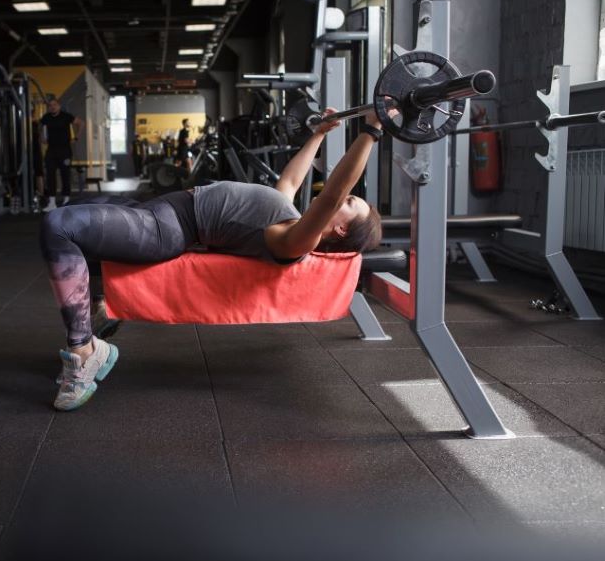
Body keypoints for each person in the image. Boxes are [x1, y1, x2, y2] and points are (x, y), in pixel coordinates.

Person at [40, 109, 384, 411]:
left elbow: (333, 193)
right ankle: (104, 312)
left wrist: (371, 131)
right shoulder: (290, 215)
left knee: (59, 226)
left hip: (168, 227)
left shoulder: (295, 242)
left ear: (340, 229)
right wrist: (318, 135)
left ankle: (83, 351)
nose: (343, 197)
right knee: (80, 207)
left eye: (350, 202)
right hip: (164, 207)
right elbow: (291, 179)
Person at [40, 97, 83, 212]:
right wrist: (42, 137)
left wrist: (76, 137)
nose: (52, 107)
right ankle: (52, 202)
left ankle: (66, 200)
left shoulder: (66, 116)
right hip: (51, 150)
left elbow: (80, 123)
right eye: (50, 105)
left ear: (59, 106)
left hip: (65, 150)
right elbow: (42, 129)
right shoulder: (46, 117)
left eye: (54, 105)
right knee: (50, 176)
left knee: (65, 175)